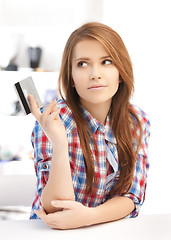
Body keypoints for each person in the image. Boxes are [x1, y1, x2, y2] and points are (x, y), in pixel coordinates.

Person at [28, 22, 151, 230]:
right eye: (83, 64)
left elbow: (132, 198)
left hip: (105, 229)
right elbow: (56, 210)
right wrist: (60, 144)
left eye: (106, 61)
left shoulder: (136, 120)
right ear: (72, 77)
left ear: (121, 72)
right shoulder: (54, 120)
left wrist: (89, 216)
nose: (95, 73)